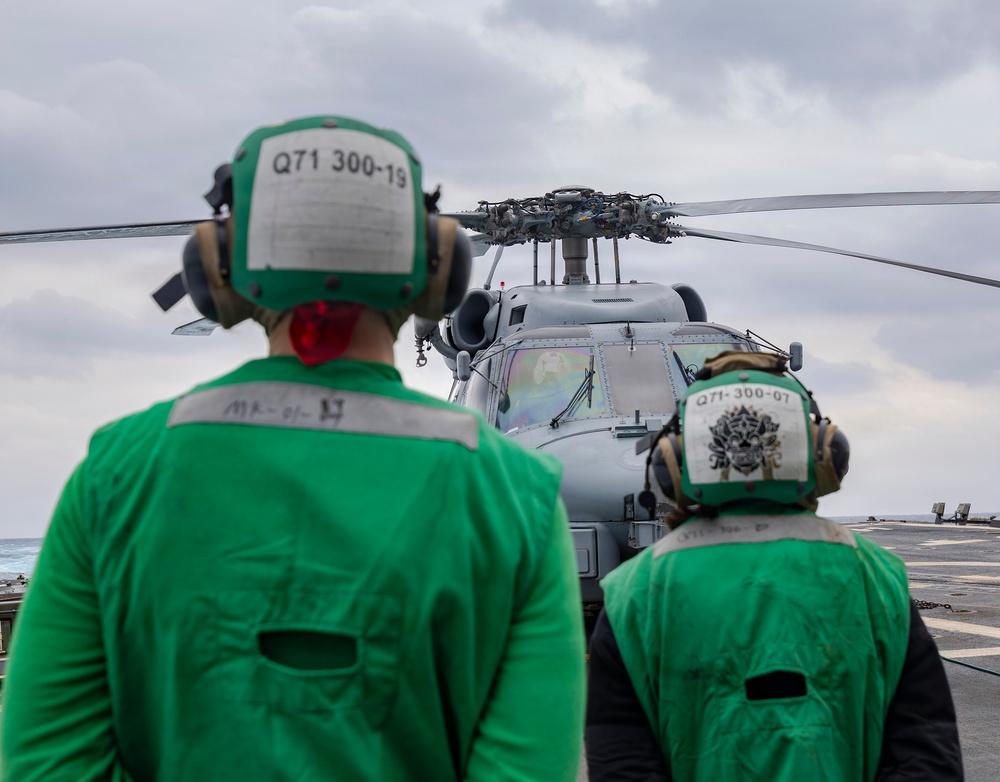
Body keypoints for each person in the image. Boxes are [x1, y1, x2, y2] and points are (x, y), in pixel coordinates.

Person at [0, 116, 586, 782]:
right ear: (437, 268)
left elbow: (48, 762)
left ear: (220, 265)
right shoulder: (520, 499)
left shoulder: (115, 473)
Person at [585, 351, 962, 781]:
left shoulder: (636, 591)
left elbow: (622, 762)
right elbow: (927, 752)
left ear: (673, 462)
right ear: (823, 454)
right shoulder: (876, 576)